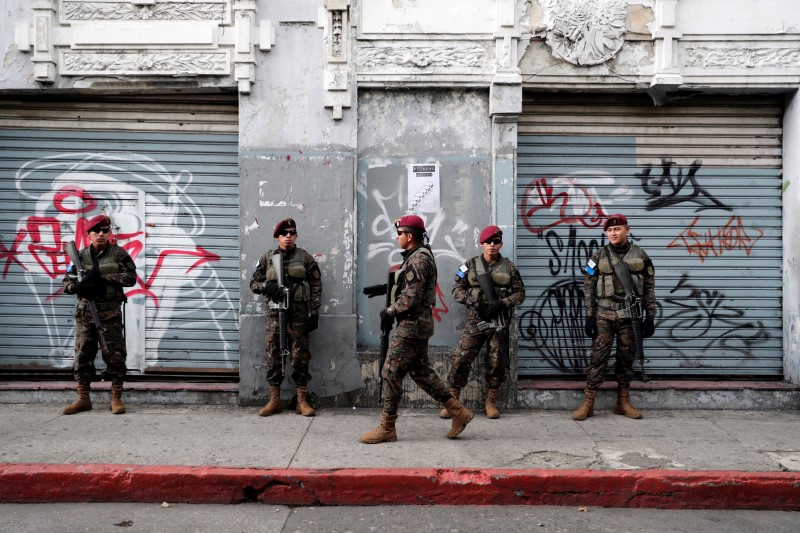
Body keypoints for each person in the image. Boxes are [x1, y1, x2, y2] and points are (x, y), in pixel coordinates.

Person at [359, 215, 474, 444]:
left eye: (399, 234)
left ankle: (387, 427)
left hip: (412, 325)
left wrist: (389, 311)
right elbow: (411, 286)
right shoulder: (416, 256)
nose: (396, 237)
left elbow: (411, 298)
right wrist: (387, 288)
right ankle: (458, 412)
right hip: (417, 324)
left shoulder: (419, 260)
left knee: (390, 373)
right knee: (422, 374)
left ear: (409, 236)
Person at [572, 214, 656, 421]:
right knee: (597, 358)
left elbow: (649, 288)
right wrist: (589, 317)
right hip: (604, 315)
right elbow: (589, 287)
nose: (613, 233)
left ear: (627, 229)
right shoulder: (598, 256)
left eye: (617, 229)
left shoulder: (641, 255)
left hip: (630, 316)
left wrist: (650, 316)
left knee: (626, 358)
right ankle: (588, 403)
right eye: (609, 230)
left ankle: (623, 402)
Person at [441, 225, 525, 420]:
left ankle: (491, 401)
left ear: (501, 244)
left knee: (497, 360)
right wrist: (475, 303)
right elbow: (456, 289)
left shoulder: (509, 267)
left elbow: (520, 293)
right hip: (476, 319)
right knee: (461, 356)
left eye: (496, 242)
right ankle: (452, 401)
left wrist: (503, 303)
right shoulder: (470, 265)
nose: (492, 245)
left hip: (499, 320)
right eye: (488, 242)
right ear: (482, 244)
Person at [61, 214, 137, 415]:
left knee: (115, 355)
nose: (101, 234)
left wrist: (102, 278)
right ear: (89, 234)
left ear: (110, 233)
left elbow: (130, 278)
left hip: (109, 314)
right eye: (96, 231)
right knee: (83, 355)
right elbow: (66, 283)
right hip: (85, 313)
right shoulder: (79, 256)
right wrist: (77, 287)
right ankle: (83, 398)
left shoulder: (119, 254)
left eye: (105, 231)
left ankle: (115, 398)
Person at [250, 218, 321, 417]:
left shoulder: (305, 258)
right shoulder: (267, 258)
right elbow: (254, 284)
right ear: (277, 237)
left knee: (300, 356)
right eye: (284, 233)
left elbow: (316, 285)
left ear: (296, 236)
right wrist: (267, 286)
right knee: (273, 355)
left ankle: (301, 400)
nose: (288, 236)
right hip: (275, 314)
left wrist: (314, 312)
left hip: (298, 315)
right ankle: (274, 400)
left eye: (291, 233)